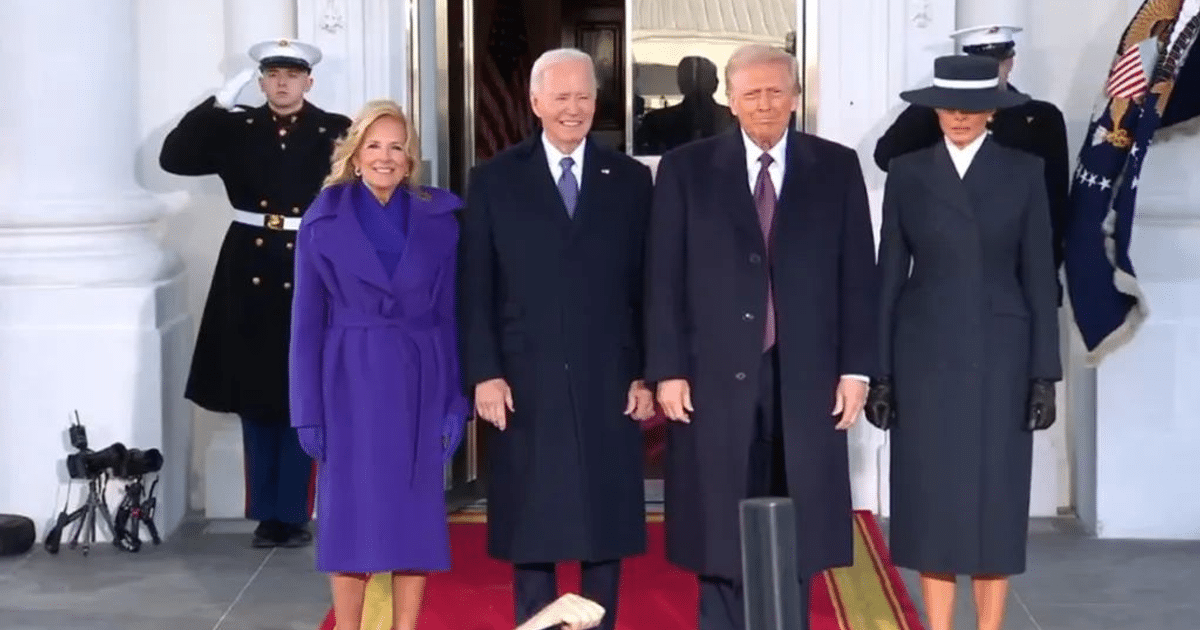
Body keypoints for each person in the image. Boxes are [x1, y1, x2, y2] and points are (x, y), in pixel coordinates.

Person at [643, 43, 878, 630]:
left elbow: (858, 276)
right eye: (752, 93)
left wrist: (857, 370)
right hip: (712, 378)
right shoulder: (687, 169)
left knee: (799, 524)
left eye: (777, 91)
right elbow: (662, 278)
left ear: (796, 96)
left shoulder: (837, 165)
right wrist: (667, 369)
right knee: (719, 524)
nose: (765, 104)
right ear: (729, 99)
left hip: (806, 377)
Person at [457, 47, 656, 630]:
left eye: (585, 97)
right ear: (536, 102)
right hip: (523, 379)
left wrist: (647, 371)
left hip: (610, 378)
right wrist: (484, 373)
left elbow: (647, 285)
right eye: (561, 97)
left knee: (605, 524)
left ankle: (602, 624)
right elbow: (475, 288)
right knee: (531, 526)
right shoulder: (494, 179)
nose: (574, 109)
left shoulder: (628, 179)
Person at [865, 55, 1060, 630]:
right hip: (922, 355)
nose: (958, 117)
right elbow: (888, 276)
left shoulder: (1024, 172)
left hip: (1003, 356)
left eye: (972, 107)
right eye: (949, 106)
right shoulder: (908, 171)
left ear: (991, 112)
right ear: (934, 108)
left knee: (996, 500)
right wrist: (881, 374)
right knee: (931, 503)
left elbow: (1041, 276)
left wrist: (1044, 374)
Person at [159, 38, 351, 548]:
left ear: (309, 81)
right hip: (247, 264)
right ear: (261, 80)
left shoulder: (335, 130)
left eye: (292, 75)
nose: (282, 83)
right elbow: (173, 159)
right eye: (272, 75)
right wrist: (216, 103)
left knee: (301, 391)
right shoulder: (236, 128)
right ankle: (267, 514)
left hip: (311, 259)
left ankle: (293, 511)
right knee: (254, 393)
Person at [288, 99, 468, 630]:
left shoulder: (440, 221)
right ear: (355, 153)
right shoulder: (322, 222)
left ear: (410, 160)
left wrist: (454, 403)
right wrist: (307, 412)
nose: (385, 158)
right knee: (350, 522)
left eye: (397, 148)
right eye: (374, 146)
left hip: (420, 379)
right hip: (349, 383)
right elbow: (304, 327)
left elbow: (449, 316)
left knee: (415, 520)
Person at [873, 25, 1070, 285]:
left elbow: (1054, 199)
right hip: (948, 263)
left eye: (998, 61)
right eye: (981, 62)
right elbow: (886, 156)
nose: (990, 70)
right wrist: (937, 101)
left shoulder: (1041, 117)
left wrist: (1045, 271)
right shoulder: (943, 113)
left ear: (1010, 61)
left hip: (1015, 266)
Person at [634, 56, 735, 154]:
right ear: (715, 84)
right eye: (690, 80)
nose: (697, 89)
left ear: (680, 84)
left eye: (703, 79)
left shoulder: (657, 120)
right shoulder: (734, 120)